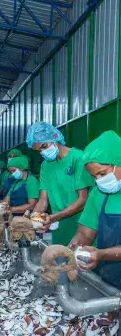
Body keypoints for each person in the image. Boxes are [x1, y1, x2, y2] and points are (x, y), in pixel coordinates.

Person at [27, 121, 94, 246]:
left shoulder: (78, 158)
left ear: (54, 137)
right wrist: (33, 220)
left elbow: (83, 200)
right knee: (58, 259)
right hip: (58, 224)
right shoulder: (46, 165)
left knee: (80, 260)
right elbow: (43, 200)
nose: (42, 152)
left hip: (82, 224)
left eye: (44, 146)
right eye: (38, 151)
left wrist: (54, 217)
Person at [69, 131, 121, 288]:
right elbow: (85, 232)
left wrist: (102, 254)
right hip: (109, 278)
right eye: (95, 177)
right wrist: (75, 245)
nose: (99, 181)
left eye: (102, 173)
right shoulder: (98, 194)